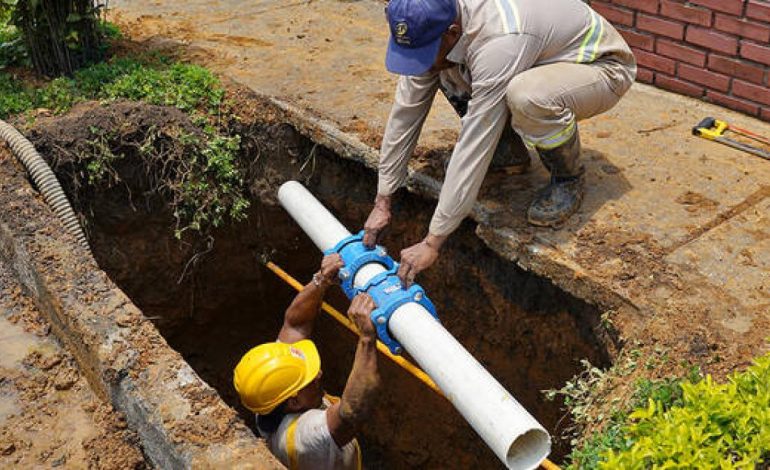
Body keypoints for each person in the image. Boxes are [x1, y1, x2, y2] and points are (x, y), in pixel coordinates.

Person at [363, 0, 636, 286]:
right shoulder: (432, 24)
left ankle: (568, 178)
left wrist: (433, 242)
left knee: (528, 96)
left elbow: (475, 144)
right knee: (444, 68)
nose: (421, 63)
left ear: (452, 32)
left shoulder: (498, 42)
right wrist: (383, 200)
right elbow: (405, 114)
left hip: (599, 66)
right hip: (534, 54)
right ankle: (508, 155)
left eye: (425, 53)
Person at [233, 254, 379, 470]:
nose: (319, 374)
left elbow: (295, 325)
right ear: (294, 402)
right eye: (309, 379)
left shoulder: (269, 396)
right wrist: (367, 338)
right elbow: (352, 412)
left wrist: (321, 279)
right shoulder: (304, 438)